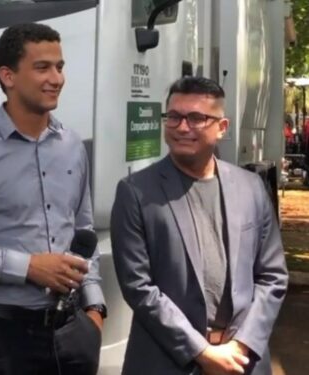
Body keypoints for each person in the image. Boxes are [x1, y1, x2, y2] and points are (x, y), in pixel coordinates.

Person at [0, 23, 105, 375]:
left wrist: (95, 310)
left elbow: (84, 232)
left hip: (73, 333)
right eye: (42, 67)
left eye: (60, 66)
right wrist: (27, 267)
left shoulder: (72, 146)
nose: (56, 78)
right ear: (7, 76)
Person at [111, 76, 288, 375]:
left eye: (196, 118)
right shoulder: (135, 192)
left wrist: (242, 345)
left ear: (222, 128)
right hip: (165, 361)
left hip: (242, 361)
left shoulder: (251, 188)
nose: (182, 127)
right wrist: (201, 352)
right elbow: (138, 287)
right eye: (175, 116)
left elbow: (272, 276)